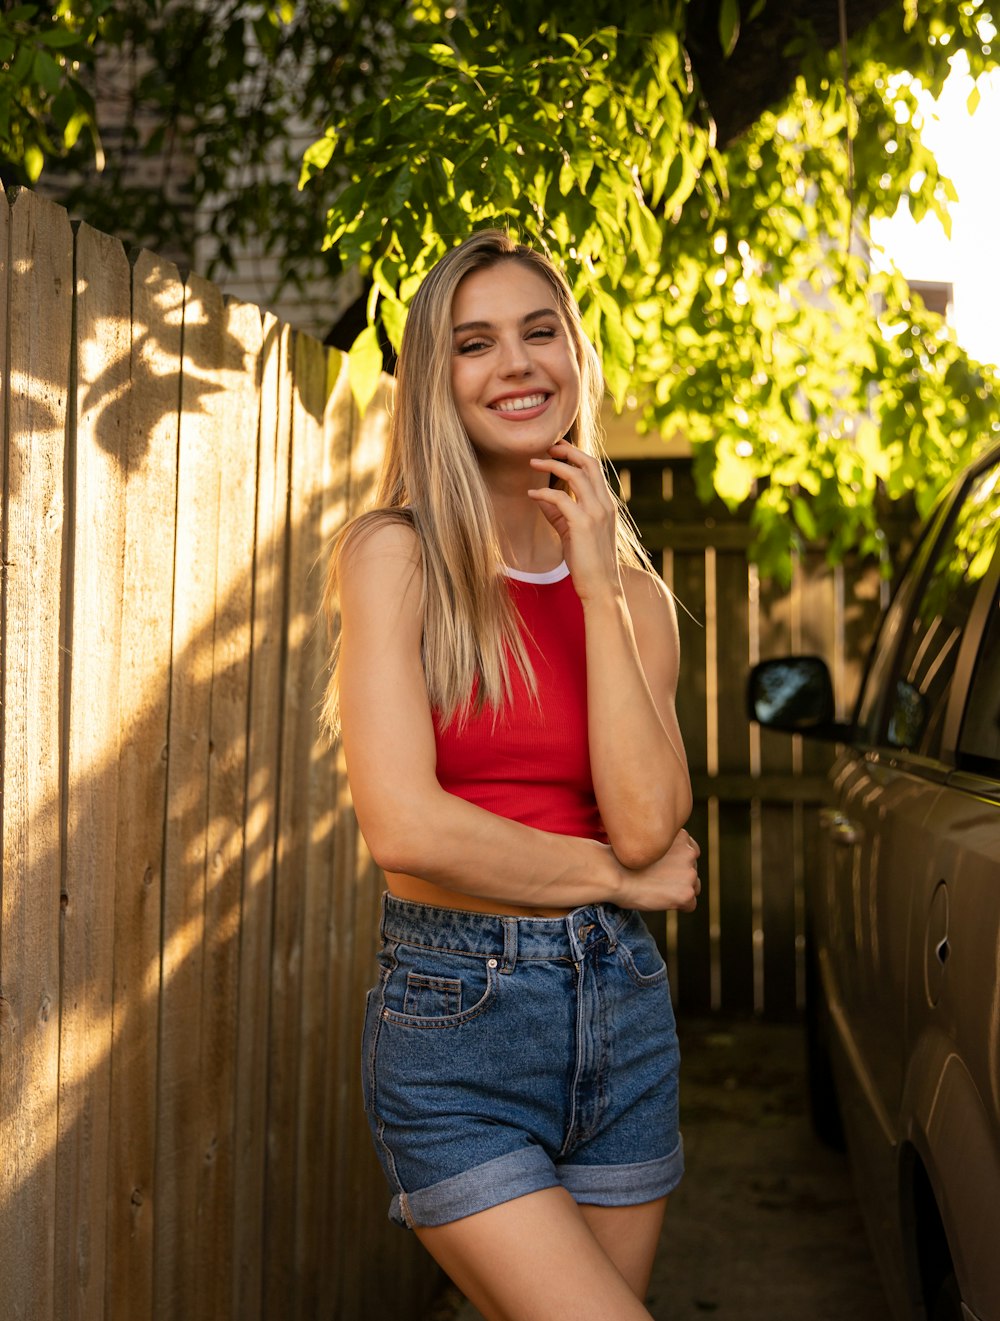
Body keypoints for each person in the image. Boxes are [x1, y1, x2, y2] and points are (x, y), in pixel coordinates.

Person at [323, 228, 701, 1320]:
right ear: (435, 382)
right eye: (473, 342)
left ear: (576, 356)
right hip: (457, 1023)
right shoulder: (392, 557)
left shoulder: (628, 599)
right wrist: (618, 884)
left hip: (621, 1019)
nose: (516, 363)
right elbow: (408, 830)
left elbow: (647, 821)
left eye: (540, 332)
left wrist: (592, 582)